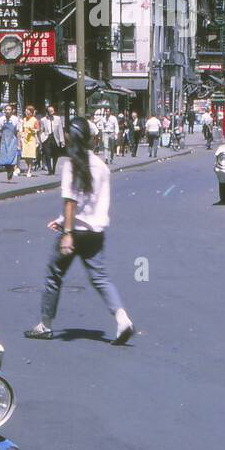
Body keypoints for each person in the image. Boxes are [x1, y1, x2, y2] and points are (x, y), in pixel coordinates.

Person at [24, 116, 135, 344]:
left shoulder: (71, 165)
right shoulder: (102, 167)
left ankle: (45, 325)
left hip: (74, 231)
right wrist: (62, 220)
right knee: (100, 278)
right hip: (95, 232)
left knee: (54, 274)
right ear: (91, 139)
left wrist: (66, 232)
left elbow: (71, 202)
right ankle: (122, 319)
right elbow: (90, 202)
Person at [0, 103, 21, 181]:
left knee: (12, 157)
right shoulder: (1, 119)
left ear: (12, 111)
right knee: (4, 158)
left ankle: (11, 170)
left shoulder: (15, 119)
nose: (7, 111)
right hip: (4, 140)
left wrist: (19, 144)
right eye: (6, 110)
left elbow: (18, 132)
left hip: (13, 140)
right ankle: (8, 170)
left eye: (9, 110)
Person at [42, 103, 65, 175]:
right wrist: (42, 138)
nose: (52, 112)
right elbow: (42, 130)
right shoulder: (43, 120)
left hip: (55, 138)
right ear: (47, 112)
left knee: (55, 154)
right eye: (50, 111)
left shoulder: (57, 119)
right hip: (47, 138)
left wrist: (62, 140)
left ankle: (54, 168)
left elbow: (60, 130)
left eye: (53, 111)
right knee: (47, 154)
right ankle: (50, 170)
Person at [20, 105, 40, 177]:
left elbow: (38, 129)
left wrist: (33, 130)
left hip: (31, 139)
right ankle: (28, 166)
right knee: (25, 156)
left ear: (31, 112)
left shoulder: (34, 120)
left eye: (28, 112)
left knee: (30, 155)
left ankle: (29, 170)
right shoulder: (24, 119)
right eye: (26, 111)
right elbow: (22, 129)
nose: (26, 113)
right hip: (25, 139)